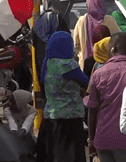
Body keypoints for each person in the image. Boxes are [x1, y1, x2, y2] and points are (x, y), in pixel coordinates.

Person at [87, 32, 126, 162]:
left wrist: (91, 139)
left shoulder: (99, 73)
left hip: (104, 139)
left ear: (113, 49)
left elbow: (92, 109)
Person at [37, 31, 89, 162]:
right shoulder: (69, 65)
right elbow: (85, 81)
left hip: (51, 115)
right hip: (70, 116)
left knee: (55, 153)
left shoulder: (47, 63)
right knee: (71, 155)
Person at [73, 0, 121, 69]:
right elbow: (118, 40)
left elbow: (76, 44)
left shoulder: (81, 20)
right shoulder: (109, 20)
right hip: (106, 62)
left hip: (85, 63)